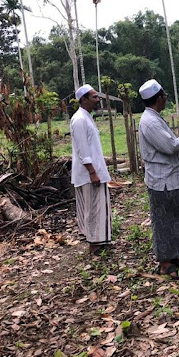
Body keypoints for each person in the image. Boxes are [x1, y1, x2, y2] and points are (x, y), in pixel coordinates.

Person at [138, 79, 179, 279]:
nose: (165, 99)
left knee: (176, 218)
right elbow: (171, 146)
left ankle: (174, 256)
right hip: (163, 180)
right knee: (164, 221)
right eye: (164, 96)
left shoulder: (154, 117)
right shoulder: (150, 122)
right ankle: (164, 263)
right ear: (159, 98)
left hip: (171, 179)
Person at [70, 84, 112, 255]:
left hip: (94, 171)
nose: (98, 99)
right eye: (94, 97)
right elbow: (82, 150)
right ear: (83, 99)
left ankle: (99, 240)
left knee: (97, 207)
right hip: (88, 174)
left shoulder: (86, 117)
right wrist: (92, 172)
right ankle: (94, 245)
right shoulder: (79, 119)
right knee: (93, 208)